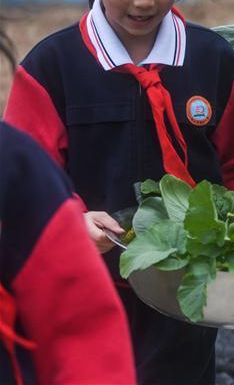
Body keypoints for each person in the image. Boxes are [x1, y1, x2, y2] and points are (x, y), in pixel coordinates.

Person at [3, 0, 234, 384]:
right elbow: (18, 193)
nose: (143, 0)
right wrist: (72, 222)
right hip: (86, 297)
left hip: (189, 295)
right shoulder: (52, 68)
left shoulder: (213, 61)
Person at [0, 29, 135, 385]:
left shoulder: (14, 167)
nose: (143, 0)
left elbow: (81, 334)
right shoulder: (50, 64)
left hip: (162, 303)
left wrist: (74, 221)